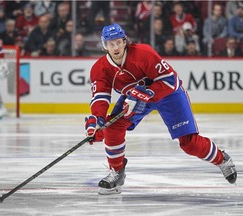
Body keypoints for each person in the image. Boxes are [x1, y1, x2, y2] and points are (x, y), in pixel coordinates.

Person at [84, 23, 237, 195]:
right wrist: (98, 121)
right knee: (112, 128)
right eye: (111, 44)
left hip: (167, 94)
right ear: (105, 46)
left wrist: (145, 93)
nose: (116, 47)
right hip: (136, 97)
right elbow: (100, 97)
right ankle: (117, 172)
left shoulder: (143, 53)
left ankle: (221, 159)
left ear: (125, 41)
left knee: (189, 144)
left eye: (119, 42)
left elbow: (169, 81)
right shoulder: (100, 69)